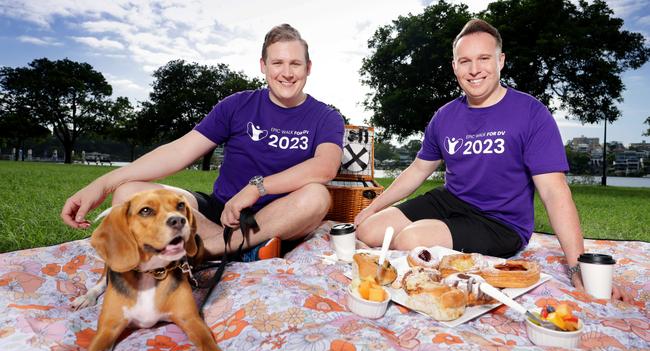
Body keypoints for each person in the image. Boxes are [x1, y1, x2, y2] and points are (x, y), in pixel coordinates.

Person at [354, 19, 631, 303]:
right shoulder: (445, 116)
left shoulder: (531, 113)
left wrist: (577, 266)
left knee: (408, 240)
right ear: (454, 67)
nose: (474, 70)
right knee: (369, 230)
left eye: (484, 59)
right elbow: (417, 170)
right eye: (465, 61)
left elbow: (554, 191)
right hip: (451, 200)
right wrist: (371, 209)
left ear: (501, 60)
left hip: (500, 222)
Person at [61, 24, 344, 260]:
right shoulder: (237, 105)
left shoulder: (326, 116)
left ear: (308, 67)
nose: (287, 72)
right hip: (219, 214)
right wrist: (103, 184)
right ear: (263, 65)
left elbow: (325, 168)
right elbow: (179, 151)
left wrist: (257, 188)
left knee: (317, 196)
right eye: (277, 62)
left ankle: (211, 249)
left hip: (280, 218)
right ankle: (243, 250)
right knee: (130, 194)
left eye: (295, 63)